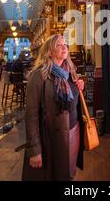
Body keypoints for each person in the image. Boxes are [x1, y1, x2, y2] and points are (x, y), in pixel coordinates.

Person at [22, 34, 85, 181]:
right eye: (59, 45)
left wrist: (79, 87)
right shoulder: (39, 75)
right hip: (51, 137)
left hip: (73, 130)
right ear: (49, 51)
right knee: (54, 175)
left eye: (65, 44)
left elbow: (72, 100)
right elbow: (31, 115)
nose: (64, 47)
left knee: (69, 172)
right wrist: (34, 150)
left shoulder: (70, 71)